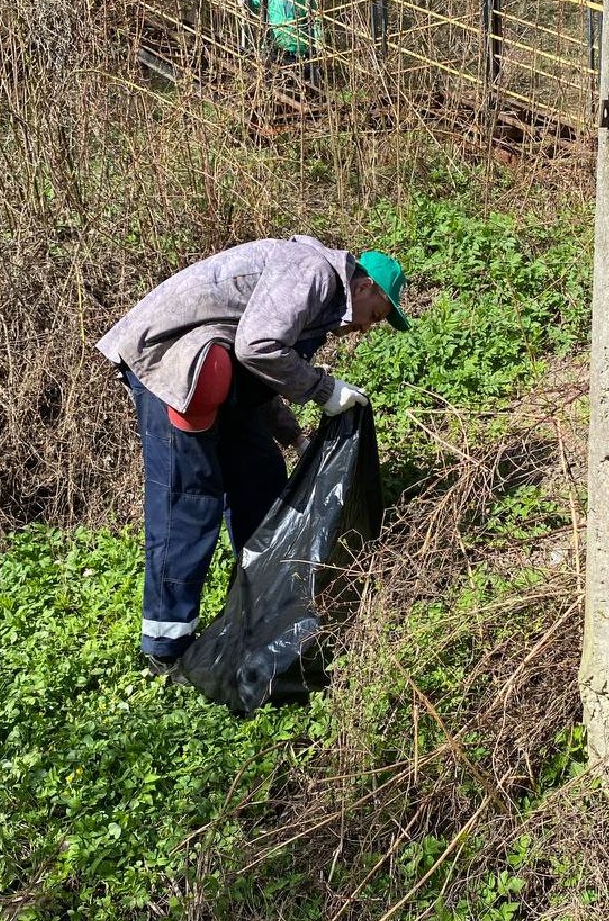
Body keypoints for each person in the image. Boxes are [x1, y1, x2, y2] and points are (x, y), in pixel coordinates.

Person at [97, 235, 410, 674]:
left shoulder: (317, 302)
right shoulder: (314, 273)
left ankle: (256, 613)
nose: (366, 328)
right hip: (172, 361)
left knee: (261, 477)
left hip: (218, 369)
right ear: (365, 288)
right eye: (375, 316)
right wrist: (323, 390)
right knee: (190, 497)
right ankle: (166, 645)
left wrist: (295, 438)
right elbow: (257, 348)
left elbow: (257, 373)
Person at [240, 0, 324, 65]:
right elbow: (254, 2)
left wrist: (319, 42)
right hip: (276, 44)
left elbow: (316, 19)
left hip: (298, 46)